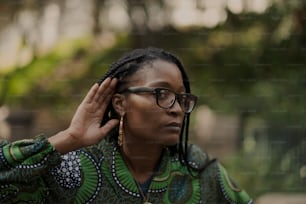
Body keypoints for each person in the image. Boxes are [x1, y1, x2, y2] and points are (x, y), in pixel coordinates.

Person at [0, 47, 253, 204]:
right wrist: (70, 137)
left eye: (182, 97)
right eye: (161, 93)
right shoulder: (72, 169)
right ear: (120, 104)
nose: (177, 108)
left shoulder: (199, 169)